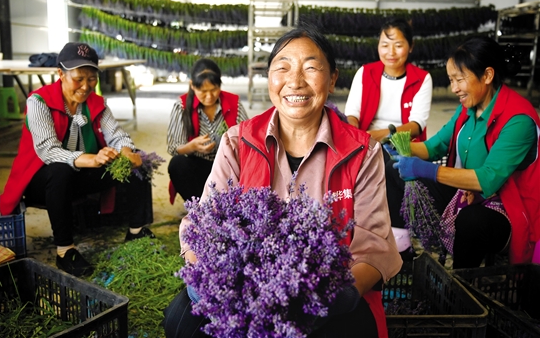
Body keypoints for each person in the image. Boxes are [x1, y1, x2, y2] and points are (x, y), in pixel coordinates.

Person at [163, 24, 402, 338]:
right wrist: (206, 277)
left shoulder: (362, 151)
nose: (295, 81)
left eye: (312, 68)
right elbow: (202, 223)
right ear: (269, 79)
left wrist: (330, 295)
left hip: (323, 288)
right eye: (283, 68)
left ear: (332, 80)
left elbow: (373, 247)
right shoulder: (238, 141)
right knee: (181, 320)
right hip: (243, 287)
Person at [0, 42, 155, 277]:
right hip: (42, 182)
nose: (85, 86)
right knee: (61, 170)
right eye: (78, 79)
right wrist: (89, 159)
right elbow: (48, 151)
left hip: (79, 177)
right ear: (60, 74)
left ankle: (136, 231)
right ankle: (65, 250)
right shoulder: (38, 102)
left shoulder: (96, 104)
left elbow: (117, 135)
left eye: (91, 79)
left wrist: (126, 150)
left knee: (137, 161)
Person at [385, 36, 540, 268]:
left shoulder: (518, 121)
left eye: (459, 79)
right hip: (467, 194)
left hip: (507, 207)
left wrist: (427, 170)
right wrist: (399, 147)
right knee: (393, 170)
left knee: (471, 220)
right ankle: (402, 251)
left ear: (487, 75)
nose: (454, 88)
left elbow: (488, 177)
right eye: (451, 80)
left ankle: (460, 286)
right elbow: (433, 146)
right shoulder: (468, 109)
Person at [344, 18, 433, 257]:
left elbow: (416, 125)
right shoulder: (366, 73)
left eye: (398, 45)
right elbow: (351, 113)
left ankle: (397, 239)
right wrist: (357, 131)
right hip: (366, 141)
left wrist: (378, 136)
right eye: (385, 45)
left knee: (392, 168)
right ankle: (386, 238)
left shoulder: (421, 78)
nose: (390, 52)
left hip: (401, 143)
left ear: (411, 46)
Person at [166, 58, 248, 203]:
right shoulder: (181, 106)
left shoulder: (234, 104)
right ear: (192, 85)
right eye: (203, 91)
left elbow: (247, 140)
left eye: (214, 90)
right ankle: (201, 209)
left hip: (227, 166)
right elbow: (173, 147)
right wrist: (191, 147)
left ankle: (227, 205)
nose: (209, 96)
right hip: (198, 166)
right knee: (177, 164)